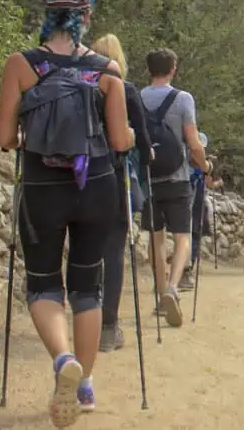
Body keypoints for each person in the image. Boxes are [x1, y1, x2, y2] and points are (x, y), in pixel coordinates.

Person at [0, 0, 133, 427]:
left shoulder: (21, 64)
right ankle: (85, 382)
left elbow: (3, 139)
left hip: (41, 189)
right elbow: (118, 140)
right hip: (96, 187)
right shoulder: (107, 69)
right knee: (86, 289)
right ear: (86, 17)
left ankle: (62, 360)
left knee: (43, 285)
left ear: (47, 13)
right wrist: (130, 135)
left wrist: (28, 133)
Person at [90, 34, 152, 354]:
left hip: (80, 181)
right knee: (114, 253)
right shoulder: (126, 91)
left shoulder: (80, 89)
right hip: (115, 178)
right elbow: (142, 138)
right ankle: (107, 328)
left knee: (86, 253)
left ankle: (84, 321)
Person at [141, 48, 211, 327]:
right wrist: (205, 167)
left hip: (149, 178)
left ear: (149, 69)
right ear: (173, 69)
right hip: (178, 178)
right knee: (182, 237)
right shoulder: (183, 99)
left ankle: (160, 296)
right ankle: (172, 286)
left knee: (155, 238)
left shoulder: (137, 96)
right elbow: (194, 143)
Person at [181, 150, 221, 291]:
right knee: (195, 234)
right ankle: (187, 268)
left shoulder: (184, 160)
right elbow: (210, 184)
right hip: (197, 201)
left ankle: (181, 268)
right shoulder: (203, 164)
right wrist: (219, 182)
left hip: (183, 198)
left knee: (184, 233)